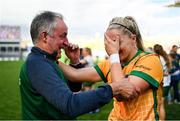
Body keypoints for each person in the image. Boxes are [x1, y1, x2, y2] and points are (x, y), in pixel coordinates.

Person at [19, 11, 140, 120]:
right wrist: (113, 88)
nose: (66, 42)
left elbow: (73, 89)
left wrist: (75, 62)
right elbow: (70, 105)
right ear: (45, 36)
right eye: (63, 36)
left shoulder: (48, 61)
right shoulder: (38, 65)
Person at [59, 16, 163, 120]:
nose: (114, 48)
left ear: (133, 39)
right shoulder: (112, 62)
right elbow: (75, 74)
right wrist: (72, 60)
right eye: (109, 44)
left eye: (117, 42)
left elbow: (123, 92)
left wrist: (114, 55)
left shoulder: (150, 60)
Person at [154, 44, 172, 120]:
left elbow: (159, 72)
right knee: (161, 105)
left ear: (155, 50)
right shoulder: (166, 57)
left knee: (160, 105)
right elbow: (168, 71)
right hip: (167, 83)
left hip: (162, 84)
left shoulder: (158, 58)